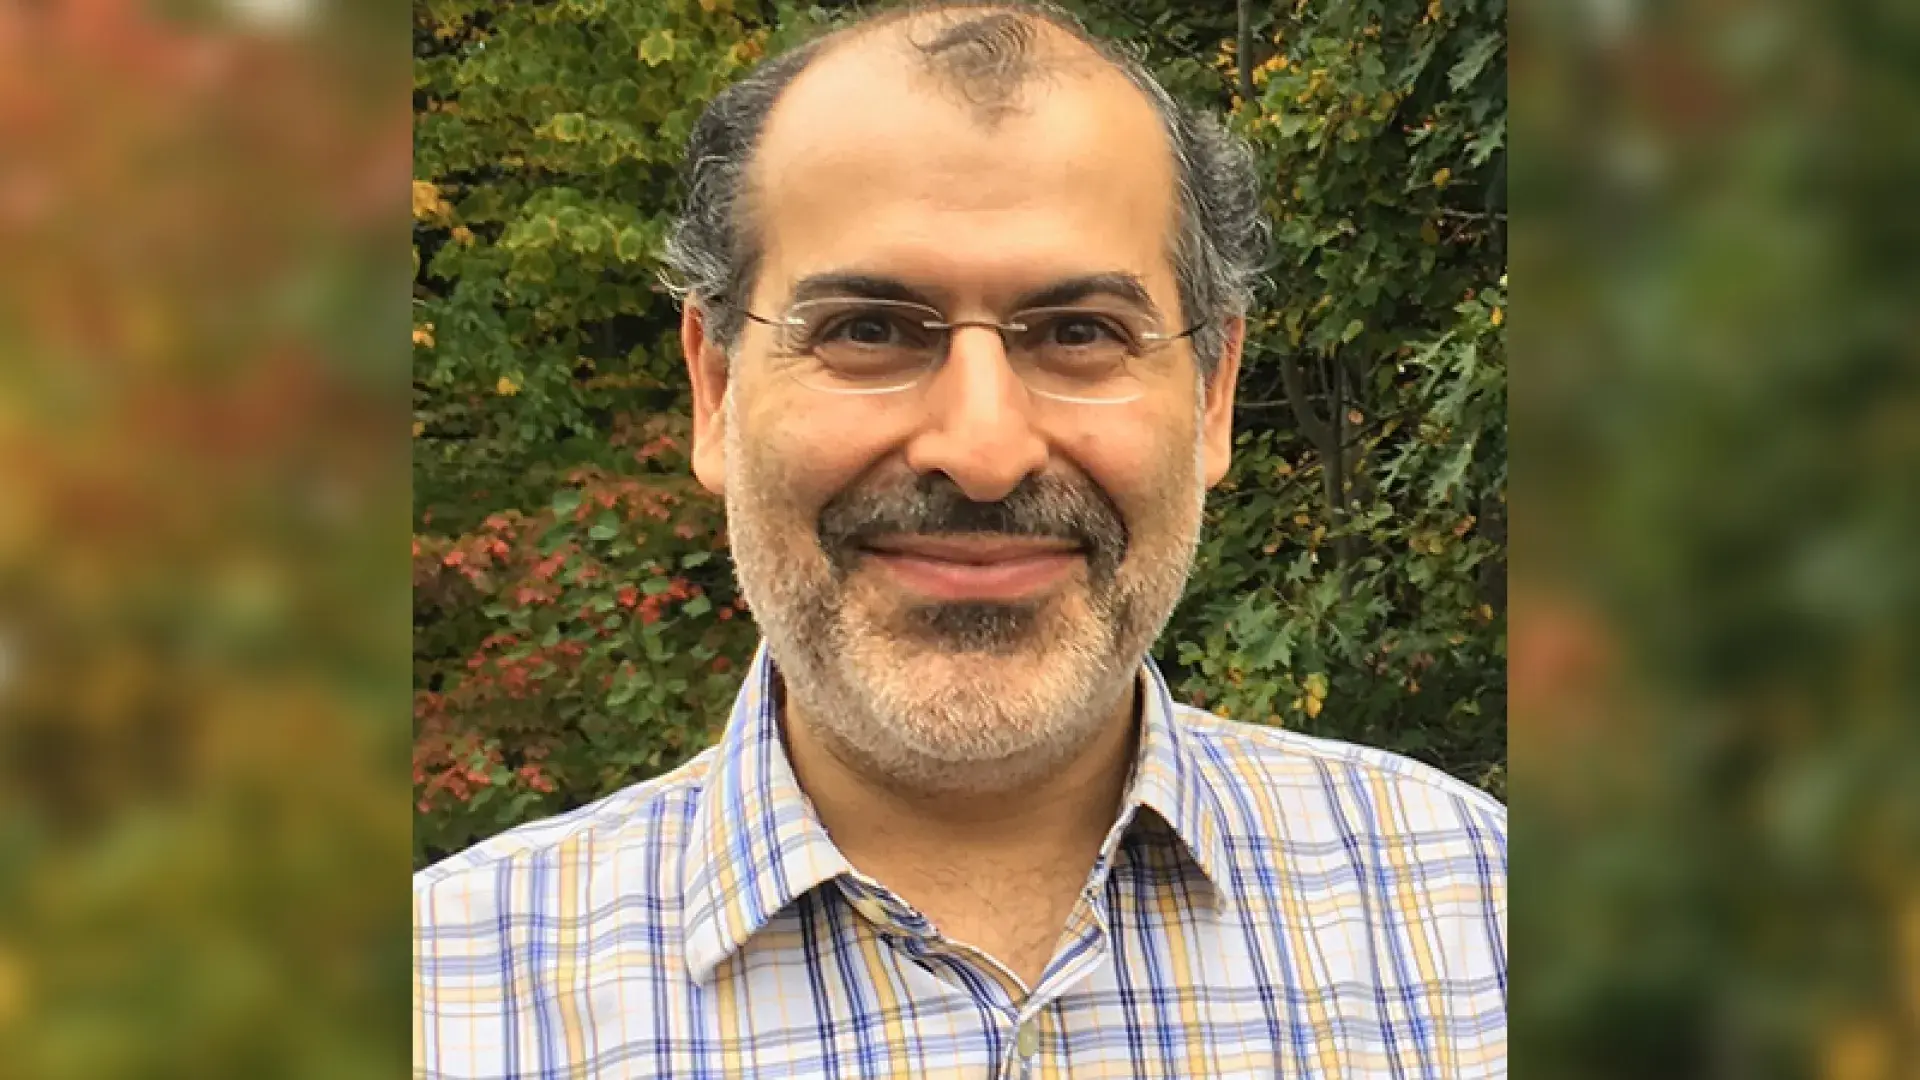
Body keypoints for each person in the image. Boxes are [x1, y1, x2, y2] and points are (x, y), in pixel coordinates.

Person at [413, 3, 1507, 1076]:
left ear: (1212, 394)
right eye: (869, 330)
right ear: (715, 389)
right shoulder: (440, 1003)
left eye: (1080, 333)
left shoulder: (1483, 917)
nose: (982, 450)